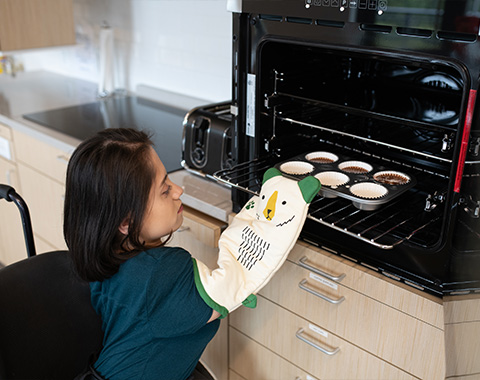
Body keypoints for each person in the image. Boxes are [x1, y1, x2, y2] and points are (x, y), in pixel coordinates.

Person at [64, 128, 220, 380]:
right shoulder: (163, 271)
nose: (178, 190)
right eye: (164, 190)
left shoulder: (104, 256)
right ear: (126, 222)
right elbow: (231, 291)